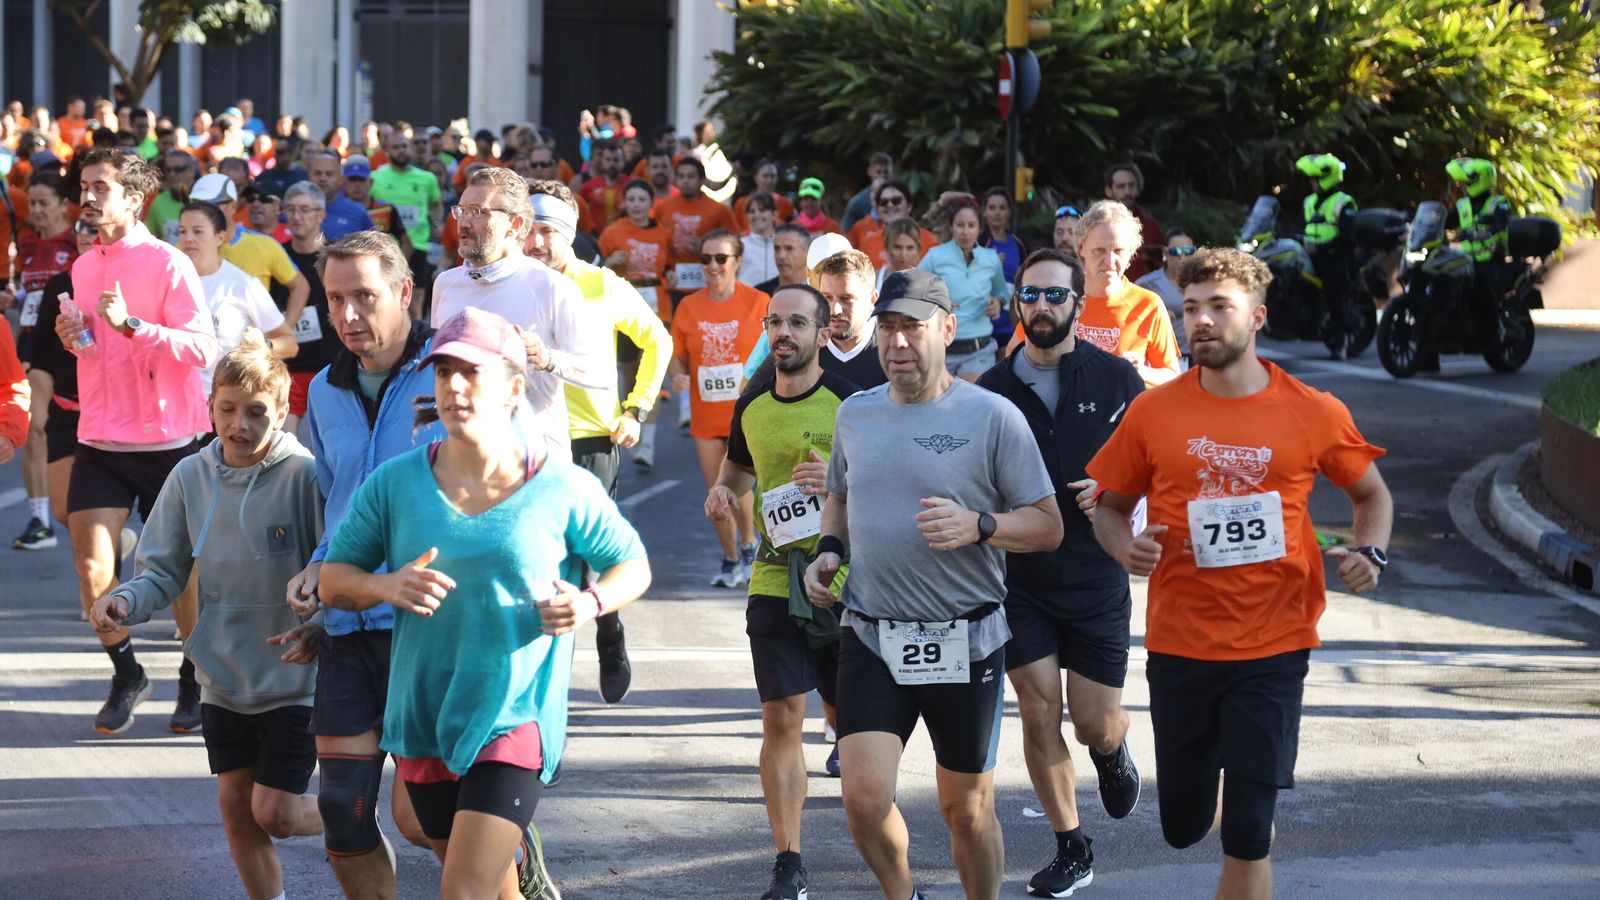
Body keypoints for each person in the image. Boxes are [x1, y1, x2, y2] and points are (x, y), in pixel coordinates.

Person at [1088, 247, 1393, 900]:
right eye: (1190, 308)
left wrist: (1372, 555)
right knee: (1182, 825)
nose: (1200, 320)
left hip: (1276, 643)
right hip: (1181, 643)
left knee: (1249, 832)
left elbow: (1373, 496)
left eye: (1218, 307)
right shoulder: (1153, 412)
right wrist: (1124, 548)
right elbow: (1109, 509)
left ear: (1257, 316)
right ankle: (1225, 791)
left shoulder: (1312, 410)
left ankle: (1251, 805)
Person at [319, 306, 651, 900]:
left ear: (514, 388)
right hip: (424, 718)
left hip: (513, 716)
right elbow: (333, 579)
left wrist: (591, 602)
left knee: (463, 890)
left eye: (472, 372)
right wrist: (384, 585)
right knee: (494, 891)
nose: (454, 386)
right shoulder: (395, 483)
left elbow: (634, 564)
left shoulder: (562, 486)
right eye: (444, 372)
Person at [803, 268, 1063, 900]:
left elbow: (1049, 527)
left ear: (946, 330)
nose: (897, 343)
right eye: (887, 327)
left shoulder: (993, 416)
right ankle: (904, 895)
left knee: (966, 812)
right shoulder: (856, 415)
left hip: (964, 639)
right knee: (863, 800)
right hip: (870, 632)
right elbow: (838, 496)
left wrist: (980, 525)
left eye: (912, 328)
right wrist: (829, 551)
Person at [90, 338, 325, 900]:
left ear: (282, 408)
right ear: (210, 407)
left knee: (280, 814)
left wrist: (321, 622)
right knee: (236, 809)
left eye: (255, 411)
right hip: (221, 674)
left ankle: (350, 813)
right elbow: (161, 569)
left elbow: (333, 566)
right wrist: (125, 600)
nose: (239, 424)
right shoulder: (189, 476)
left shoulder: (304, 476)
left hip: (295, 676)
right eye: (227, 410)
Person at [976, 249, 1146, 898]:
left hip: (1097, 573)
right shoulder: (990, 391)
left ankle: (1110, 751)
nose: (1041, 307)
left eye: (1055, 296)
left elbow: (1151, 467)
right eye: (1030, 296)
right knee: (1039, 707)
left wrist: (1113, 488)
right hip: (1020, 581)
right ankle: (1072, 844)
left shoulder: (1116, 379)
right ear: (1016, 303)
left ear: (1078, 303)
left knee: (1093, 719)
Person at [54, 148, 219, 734]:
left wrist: (133, 326)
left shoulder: (168, 262)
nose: (89, 196)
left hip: (170, 439)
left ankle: (193, 677)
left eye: (101, 187)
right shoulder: (83, 266)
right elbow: (100, 352)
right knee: (92, 567)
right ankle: (127, 673)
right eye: (85, 186)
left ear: (134, 197)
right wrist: (78, 339)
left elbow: (204, 348)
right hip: (100, 436)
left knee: (184, 574)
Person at [706, 284, 856, 900]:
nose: (783, 333)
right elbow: (739, 466)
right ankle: (788, 860)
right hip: (772, 577)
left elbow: (890, 482)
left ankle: (872, 810)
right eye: (775, 323)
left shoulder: (852, 405)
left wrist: (839, 480)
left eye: (798, 322)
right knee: (782, 716)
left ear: (824, 334)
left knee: (854, 718)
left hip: (844, 581)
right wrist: (723, 491)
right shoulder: (754, 405)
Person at [526, 178, 672, 705]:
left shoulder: (602, 285)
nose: (536, 242)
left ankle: (609, 632)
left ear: (567, 233)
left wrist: (635, 408)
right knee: (540, 560)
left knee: (589, 556)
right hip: (525, 436)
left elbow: (658, 340)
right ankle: (546, 694)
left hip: (590, 437)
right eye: (528, 231)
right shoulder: (513, 283)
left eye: (546, 232)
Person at [431, 168, 605, 452]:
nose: (464, 222)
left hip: (534, 460)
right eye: (461, 211)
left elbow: (600, 375)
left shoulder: (552, 287)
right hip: (462, 459)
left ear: (514, 225)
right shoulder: (445, 284)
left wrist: (548, 359)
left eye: (478, 211)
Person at [669, 229, 767, 586]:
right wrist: (678, 376)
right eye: (706, 259)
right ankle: (730, 558)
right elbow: (677, 356)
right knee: (716, 494)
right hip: (705, 416)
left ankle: (748, 544)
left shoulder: (759, 303)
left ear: (737, 261)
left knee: (740, 487)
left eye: (721, 258)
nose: (713, 265)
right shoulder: (689, 306)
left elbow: (775, 352)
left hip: (745, 416)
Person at [1014, 200, 1181, 389]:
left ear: (1132, 253)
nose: (1109, 261)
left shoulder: (1148, 304)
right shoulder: (1059, 296)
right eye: (1099, 251)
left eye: (1118, 251)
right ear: (1082, 248)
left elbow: (1172, 377)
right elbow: (1013, 354)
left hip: (1123, 416)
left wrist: (1138, 370)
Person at [14, 221, 94, 558]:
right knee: (65, 507)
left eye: (96, 230)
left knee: (95, 500)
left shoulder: (125, 284)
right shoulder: (60, 283)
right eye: (84, 232)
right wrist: (25, 365)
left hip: (106, 401)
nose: (89, 237)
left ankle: (111, 550)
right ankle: (46, 521)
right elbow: (40, 331)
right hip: (60, 385)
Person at [8, 169, 77, 550]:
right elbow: (30, 298)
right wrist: (13, 300)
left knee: (57, 435)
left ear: (63, 205)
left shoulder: (77, 242)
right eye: (31, 202)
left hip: (64, 348)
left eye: (43, 203)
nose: (34, 210)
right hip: (31, 347)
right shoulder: (30, 246)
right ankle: (40, 519)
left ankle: (102, 525)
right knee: (33, 432)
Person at [177, 201, 297, 392]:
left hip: (222, 403)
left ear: (220, 237)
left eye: (198, 231)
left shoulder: (243, 284)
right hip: (175, 401)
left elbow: (290, 344)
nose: (188, 238)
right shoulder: (170, 278)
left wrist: (261, 346)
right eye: (183, 231)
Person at [747, 249, 886, 391]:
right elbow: (749, 401)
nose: (835, 310)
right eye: (827, 298)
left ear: (873, 300)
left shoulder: (892, 347)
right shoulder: (798, 343)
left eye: (847, 299)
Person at [191, 172, 312, 323]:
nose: (203, 212)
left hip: (252, 345)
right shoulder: (182, 250)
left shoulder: (263, 245)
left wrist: (285, 333)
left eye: (213, 205)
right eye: (197, 205)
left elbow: (300, 287)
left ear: (233, 206)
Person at [918, 195, 1006, 380]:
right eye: (960, 225)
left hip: (979, 349)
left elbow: (1001, 291)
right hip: (941, 348)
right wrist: (938, 301)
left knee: (973, 406)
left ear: (980, 228)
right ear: (951, 227)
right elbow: (915, 288)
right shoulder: (935, 256)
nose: (965, 232)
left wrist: (997, 302)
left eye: (971, 225)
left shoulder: (991, 258)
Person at [276, 182, 339, 433]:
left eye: (304, 209)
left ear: (320, 214)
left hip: (330, 367)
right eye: (290, 209)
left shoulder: (337, 256)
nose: (297, 216)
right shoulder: (276, 256)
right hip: (289, 367)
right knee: (286, 453)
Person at [1444, 156, 1512, 373]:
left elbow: (1499, 225)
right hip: (1466, 260)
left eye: (1467, 182)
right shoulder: (1463, 205)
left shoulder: (1498, 204)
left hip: (1491, 261)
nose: (1463, 187)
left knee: (1482, 285)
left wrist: (1480, 230)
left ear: (1480, 180)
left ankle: (1493, 333)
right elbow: (1446, 221)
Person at [1294, 153, 1358, 359]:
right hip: (1308, 255)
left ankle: (1341, 341)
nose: (1312, 183)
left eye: (1315, 179)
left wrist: (1321, 248)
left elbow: (1348, 237)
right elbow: (1300, 227)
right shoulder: (1309, 201)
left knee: (1334, 294)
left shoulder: (1344, 202)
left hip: (1334, 256)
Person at [371, 133, 444, 307]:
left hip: (418, 247)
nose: (401, 151)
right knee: (386, 304)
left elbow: (436, 203)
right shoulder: (375, 177)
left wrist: (435, 222)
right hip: (385, 249)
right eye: (396, 147)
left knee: (414, 307)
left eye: (404, 146)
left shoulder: (427, 178)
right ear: (387, 151)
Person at [656, 157, 737, 309]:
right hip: (674, 283)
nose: (685, 181)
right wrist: (665, 271)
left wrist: (708, 246)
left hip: (708, 282)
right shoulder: (663, 209)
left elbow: (735, 242)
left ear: (701, 179)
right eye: (681, 176)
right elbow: (656, 242)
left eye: (691, 176)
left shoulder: (719, 210)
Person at [1135, 227, 1196, 355]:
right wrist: (1156, 317)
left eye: (1188, 251)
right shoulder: (1146, 284)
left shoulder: (1205, 282)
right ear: (1165, 253)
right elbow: (1130, 322)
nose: (1182, 257)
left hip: (1201, 359)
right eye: (1176, 251)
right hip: (1165, 358)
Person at [1103, 163, 1164, 281]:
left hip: (1145, 295)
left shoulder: (1151, 227)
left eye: (1131, 185)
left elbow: (1163, 269)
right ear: (1108, 191)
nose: (1127, 191)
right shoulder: (1099, 227)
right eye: (1121, 186)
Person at [306, 150, 375, 241]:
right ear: (308, 177)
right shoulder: (294, 208)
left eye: (329, 174)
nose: (323, 178)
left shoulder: (357, 212)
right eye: (317, 173)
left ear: (341, 180)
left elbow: (374, 249)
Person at [145, 149, 198, 243]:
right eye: (168, 170)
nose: (172, 174)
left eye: (178, 169)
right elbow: (149, 241)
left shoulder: (205, 199)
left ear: (191, 171)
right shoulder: (158, 202)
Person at [733, 159, 794, 233]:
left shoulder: (785, 203)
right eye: (765, 176)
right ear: (756, 178)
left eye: (773, 176)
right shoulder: (741, 203)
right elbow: (735, 231)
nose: (769, 180)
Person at [578, 139, 627, 229]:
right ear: (602, 161)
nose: (612, 163)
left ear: (623, 161)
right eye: (608, 159)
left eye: (616, 160)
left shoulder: (631, 185)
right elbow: (577, 207)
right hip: (596, 238)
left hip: (624, 236)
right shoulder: (589, 186)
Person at [839, 152, 893, 234]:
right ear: (869, 171)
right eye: (878, 172)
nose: (882, 176)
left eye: (886, 173)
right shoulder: (858, 202)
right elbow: (844, 233)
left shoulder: (899, 199)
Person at [754, 224, 811, 298]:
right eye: (777, 248)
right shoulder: (760, 294)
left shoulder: (823, 292)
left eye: (789, 248)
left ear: (807, 253)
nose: (781, 256)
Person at [739, 192, 782, 287]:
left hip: (778, 299)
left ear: (774, 213)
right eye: (752, 211)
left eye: (762, 210)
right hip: (748, 299)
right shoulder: (740, 245)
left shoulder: (783, 245)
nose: (757, 215)